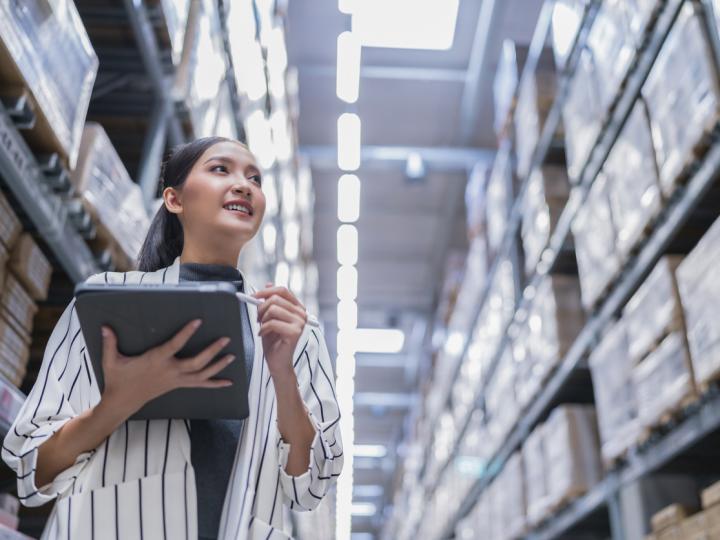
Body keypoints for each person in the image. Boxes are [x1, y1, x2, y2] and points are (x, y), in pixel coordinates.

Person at [2, 137, 343, 539]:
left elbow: (310, 485)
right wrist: (119, 403)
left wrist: (283, 375)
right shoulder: (109, 300)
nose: (244, 185)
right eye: (221, 169)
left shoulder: (295, 330)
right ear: (174, 199)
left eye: (255, 178)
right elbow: (32, 468)